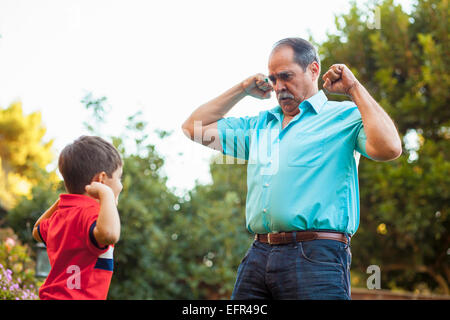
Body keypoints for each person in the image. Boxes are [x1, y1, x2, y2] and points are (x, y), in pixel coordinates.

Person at [181, 37, 402, 299]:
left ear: (313, 70)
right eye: (274, 79)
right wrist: (242, 89)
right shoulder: (259, 126)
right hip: (258, 255)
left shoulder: (344, 117)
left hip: (317, 256)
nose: (279, 87)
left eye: (286, 76)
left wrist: (354, 88)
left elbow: (390, 148)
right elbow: (193, 127)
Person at [32, 135, 123, 300]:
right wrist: (107, 195)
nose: (121, 185)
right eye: (119, 178)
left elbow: (37, 231)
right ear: (101, 180)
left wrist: (63, 200)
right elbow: (110, 235)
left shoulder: (62, 214)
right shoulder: (91, 214)